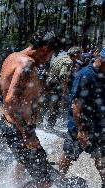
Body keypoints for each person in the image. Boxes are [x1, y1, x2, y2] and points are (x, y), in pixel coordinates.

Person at [0, 31, 61, 187]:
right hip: (19, 129)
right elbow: (10, 100)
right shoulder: (27, 63)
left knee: (25, 163)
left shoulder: (12, 57)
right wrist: (26, 132)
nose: (48, 60)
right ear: (44, 48)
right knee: (45, 181)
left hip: (11, 125)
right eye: (50, 55)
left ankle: (15, 184)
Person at [59, 48, 105, 188]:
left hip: (98, 125)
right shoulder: (85, 75)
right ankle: (60, 179)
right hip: (80, 125)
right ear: (102, 61)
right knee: (69, 154)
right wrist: (81, 130)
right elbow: (76, 105)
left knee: (101, 157)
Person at [46, 46, 83, 128]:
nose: (80, 57)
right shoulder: (68, 62)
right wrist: (64, 91)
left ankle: (48, 122)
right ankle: (50, 125)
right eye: (79, 55)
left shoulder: (63, 57)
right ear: (75, 55)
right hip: (56, 85)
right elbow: (63, 77)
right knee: (55, 106)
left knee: (51, 104)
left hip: (50, 83)